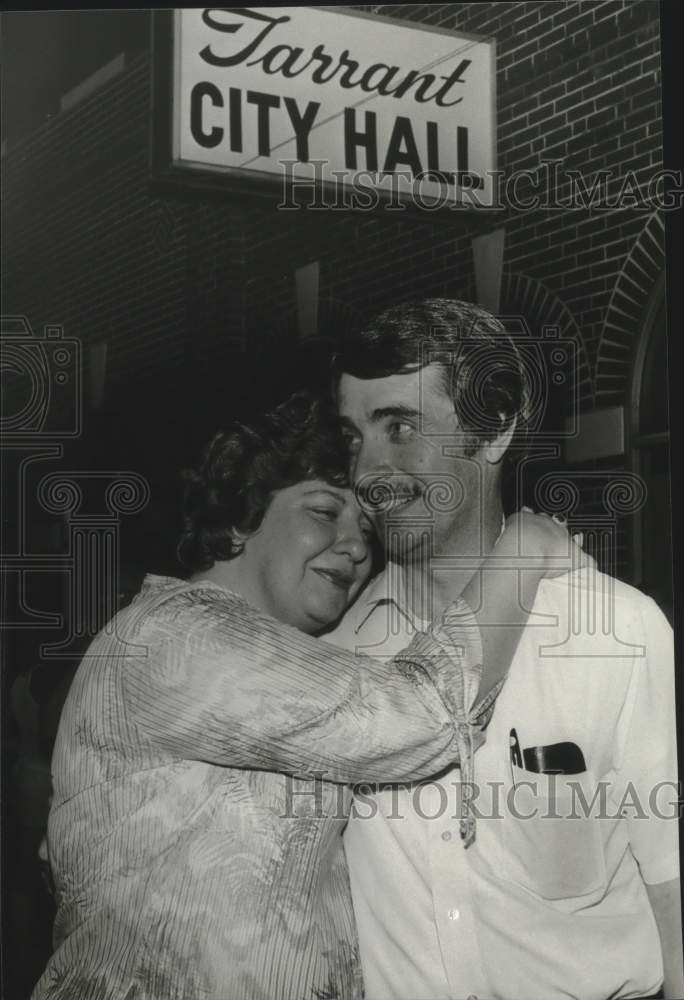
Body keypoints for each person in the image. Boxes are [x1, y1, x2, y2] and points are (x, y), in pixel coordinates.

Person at [33, 392, 581, 1000]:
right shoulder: (175, 635)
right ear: (241, 519)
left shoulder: (287, 659)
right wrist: (524, 550)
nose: (353, 545)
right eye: (324, 512)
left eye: (366, 531)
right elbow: (416, 714)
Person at [326, 299, 682, 1000]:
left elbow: (671, 891)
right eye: (353, 436)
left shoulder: (619, 633)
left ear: (493, 431)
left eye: (400, 427)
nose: (368, 470)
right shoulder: (329, 653)